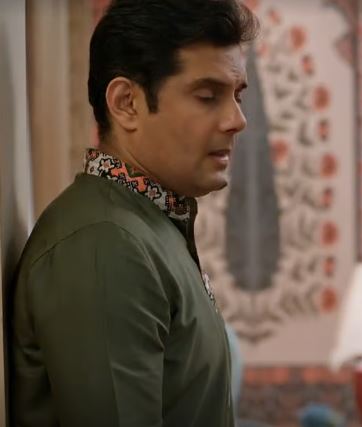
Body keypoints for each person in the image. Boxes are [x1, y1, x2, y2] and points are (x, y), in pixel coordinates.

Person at [8, 1, 257, 426]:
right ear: (126, 103)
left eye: (237, 96)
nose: (237, 120)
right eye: (207, 96)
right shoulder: (104, 245)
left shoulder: (149, 223)